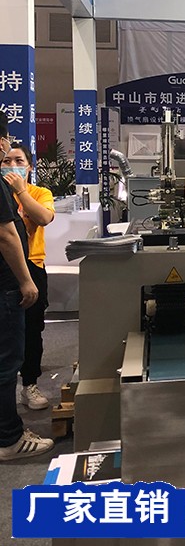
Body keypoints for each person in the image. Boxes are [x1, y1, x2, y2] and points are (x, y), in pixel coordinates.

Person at [0, 112, 53, 461]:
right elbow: (7, 235)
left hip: (32, 268)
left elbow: (44, 217)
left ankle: (29, 384)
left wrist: (20, 191)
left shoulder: (36, 192)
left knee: (31, 333)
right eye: (7, 159)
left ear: (30, 167)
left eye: (19, 161)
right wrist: (23, 281)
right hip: (13, 278)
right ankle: (9, 437)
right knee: (7, 356)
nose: (12, 165)